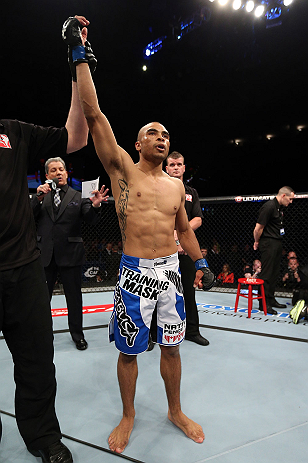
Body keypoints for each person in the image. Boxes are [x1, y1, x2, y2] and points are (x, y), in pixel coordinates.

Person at [62, 15, 214, 454]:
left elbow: (183, 228)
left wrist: (200, 262)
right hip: (133, 275)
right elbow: (92, 113)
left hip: (170, 272)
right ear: (137, 142)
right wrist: (79, 56)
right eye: (153, 132)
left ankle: (174, 410)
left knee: (172, 348)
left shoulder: (176, 186)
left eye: (166, 134)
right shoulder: (123, 169)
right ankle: (128, 415)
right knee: (128, 351)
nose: (161, 137)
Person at [0, 15, 91, 463]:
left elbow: (76, 137)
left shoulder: (12, 132)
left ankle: (42, 437)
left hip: (22, 268)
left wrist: (77, 61)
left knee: (37, 363)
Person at [30, 157, 108, 350]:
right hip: (45, 254)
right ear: (47, 175)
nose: (58, 173)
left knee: (73, 299)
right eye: (54, 170)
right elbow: (28, 217)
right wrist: (37, 197)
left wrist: (96, 205)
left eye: (61, 169)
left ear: (66, 173)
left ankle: (77, 335)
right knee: (42, 300)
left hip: (70, 254)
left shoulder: (78, 196)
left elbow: (91, 219)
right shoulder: (41, 196)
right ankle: (42, 336)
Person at [165, 151, 209, 346]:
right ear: (166, 168)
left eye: (179, 164)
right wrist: (173, 237)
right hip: (163, 249)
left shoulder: (192, 192)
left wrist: (181, 235)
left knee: (189, 292)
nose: (175, 167)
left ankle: (192, 330)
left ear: (183, 168)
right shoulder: (158, 189)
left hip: (185, 248)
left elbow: (198, 218)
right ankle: (151, 334)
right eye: (172, 164)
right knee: (159, 292)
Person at [253, 186, 295, 315]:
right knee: (267, 273)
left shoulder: (278, 207)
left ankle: (270, 299)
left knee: (274, 273)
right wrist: (256, 241)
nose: (291, 202)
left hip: (276, 242)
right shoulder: (269, 206)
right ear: (283, 196)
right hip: (268, 242)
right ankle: (263, 303)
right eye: (290, 198)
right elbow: (258, 228)